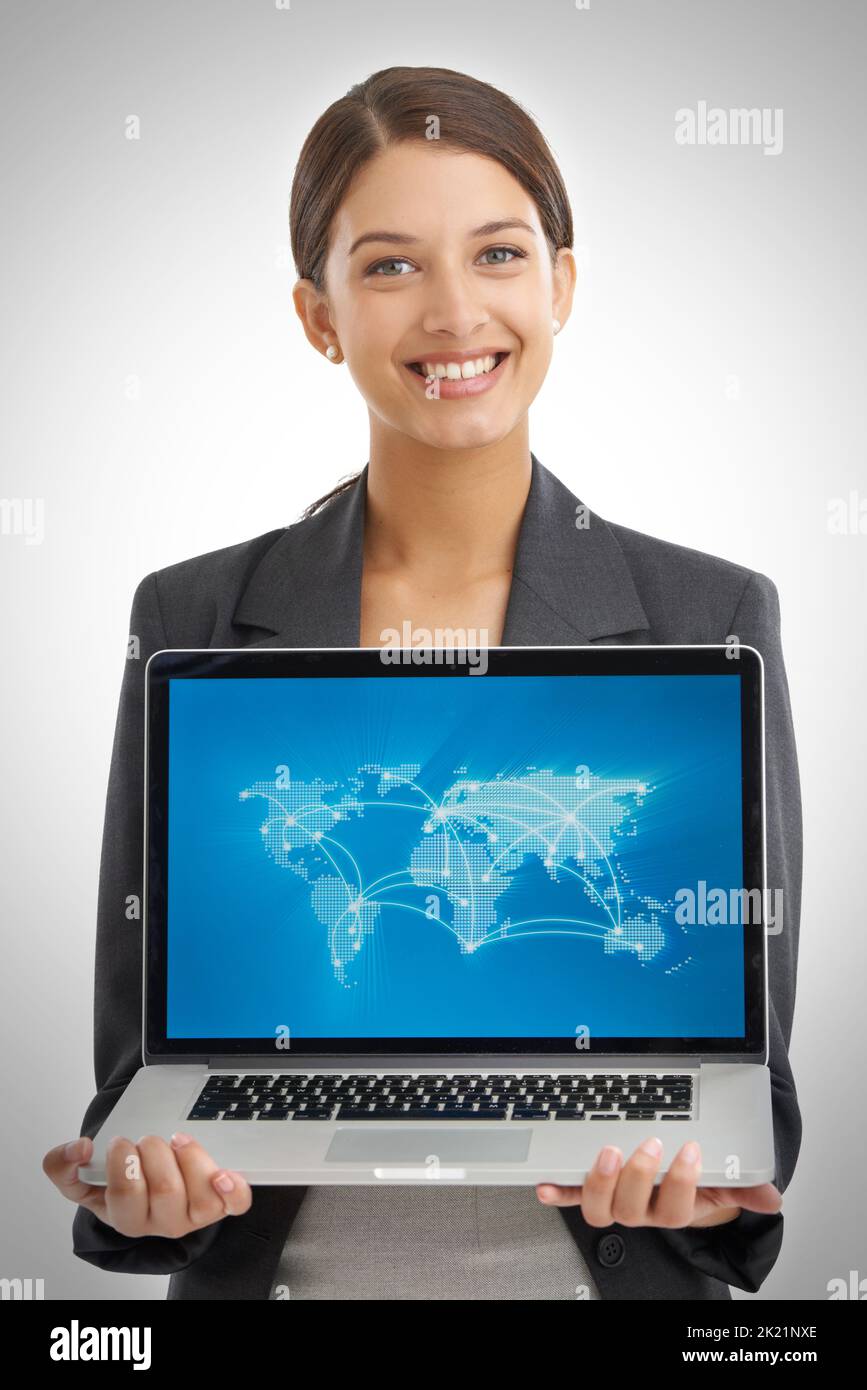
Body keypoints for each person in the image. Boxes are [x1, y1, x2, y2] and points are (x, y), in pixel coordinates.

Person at [44, 65, 801, 1300]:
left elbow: (746, 1070)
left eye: (498, 254)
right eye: (391, 265)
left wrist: (710, 1191)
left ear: (561, 281)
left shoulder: (710, 615)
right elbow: (145, 1066)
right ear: (318, 313)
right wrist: (146, 1204)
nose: (455, 312)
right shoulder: (189, 616)